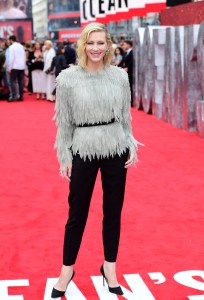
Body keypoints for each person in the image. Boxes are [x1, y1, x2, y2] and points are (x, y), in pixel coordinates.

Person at [52, 22, 140, 298]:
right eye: (91, 43)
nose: (96, 48)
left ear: (108, 45)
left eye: (101, 43)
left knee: (113, 211)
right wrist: (64, 153)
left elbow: (125, 116)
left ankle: (109, 267)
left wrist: (131, 145)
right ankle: (67, 270)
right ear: (82, 45)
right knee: (77, 212)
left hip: (115, 146)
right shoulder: (67, 78)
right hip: (83, 147)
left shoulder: (119, 77)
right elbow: (63, 121)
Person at [7, 35, 26, 101]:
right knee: (21, 81)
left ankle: (14, 96)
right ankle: (21, 96)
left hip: (14, 66)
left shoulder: (11, 47)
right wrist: (24, 66)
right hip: (21, 66)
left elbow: (11, 58)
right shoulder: (21, 46)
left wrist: (9, 68)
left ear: (11, 40)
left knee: (12, 81)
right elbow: (24, 57)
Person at [122, 40, 134, 106]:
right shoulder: (126, 53)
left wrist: (128, 68)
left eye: (124, 44)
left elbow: (132, 61)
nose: (123, 46)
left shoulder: (132, 52)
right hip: (125, 72)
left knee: (130, 86)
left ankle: (131, 101)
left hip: (130, 72)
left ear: (129, 45)